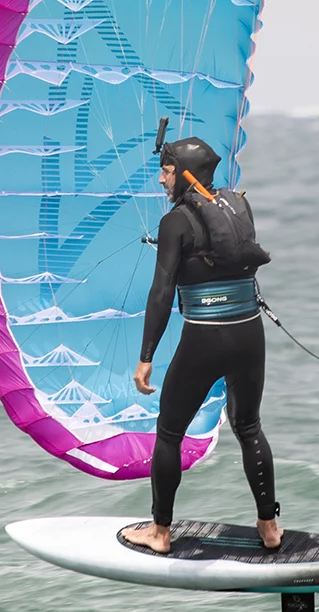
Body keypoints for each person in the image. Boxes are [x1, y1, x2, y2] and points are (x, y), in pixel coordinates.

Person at [120, 137, 281, 554]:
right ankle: (269, 527)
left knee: (170, 431)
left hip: (204, 338)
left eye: (167, 171)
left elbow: (161, 293)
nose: (161, 180)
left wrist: (145, 357)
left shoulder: (175, 221)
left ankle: (160, 532)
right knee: (249, 427)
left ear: (185, 174)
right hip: (249, 332)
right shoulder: (239, 206)